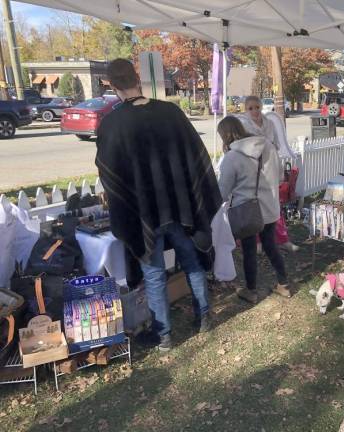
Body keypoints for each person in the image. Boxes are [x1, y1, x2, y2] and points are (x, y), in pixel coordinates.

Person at [96, 59, 222, 351]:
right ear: (136, 78)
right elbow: (195, 154)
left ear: (112, 85)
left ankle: (163, 335)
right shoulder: (171, 112)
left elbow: (109, 172)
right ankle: (204, 318)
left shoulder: (112, 124)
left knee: (153, 273)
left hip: (144, 215)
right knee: (191, 262)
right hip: (180, 208)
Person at [217, 116, 291, 304]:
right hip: (270, 206)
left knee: (249, 250)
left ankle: (251, 291)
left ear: (225, 135)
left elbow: (222, 192)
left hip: (248, 211)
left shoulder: (231, 157)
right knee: (270, 245)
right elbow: (281, 176)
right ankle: (284, 284)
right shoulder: (268, 146)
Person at [239, 96, 299, 253]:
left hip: (270, 168)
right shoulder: (243, 125)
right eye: (250, 108)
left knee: (274, 205)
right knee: (255, 206)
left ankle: (282, 239)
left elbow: (277, 145)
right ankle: (257, 241)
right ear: (246, 109)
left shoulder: (270, 124)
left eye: (257, 107)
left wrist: (268, 145)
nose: (254, 111)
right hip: (253, 171)